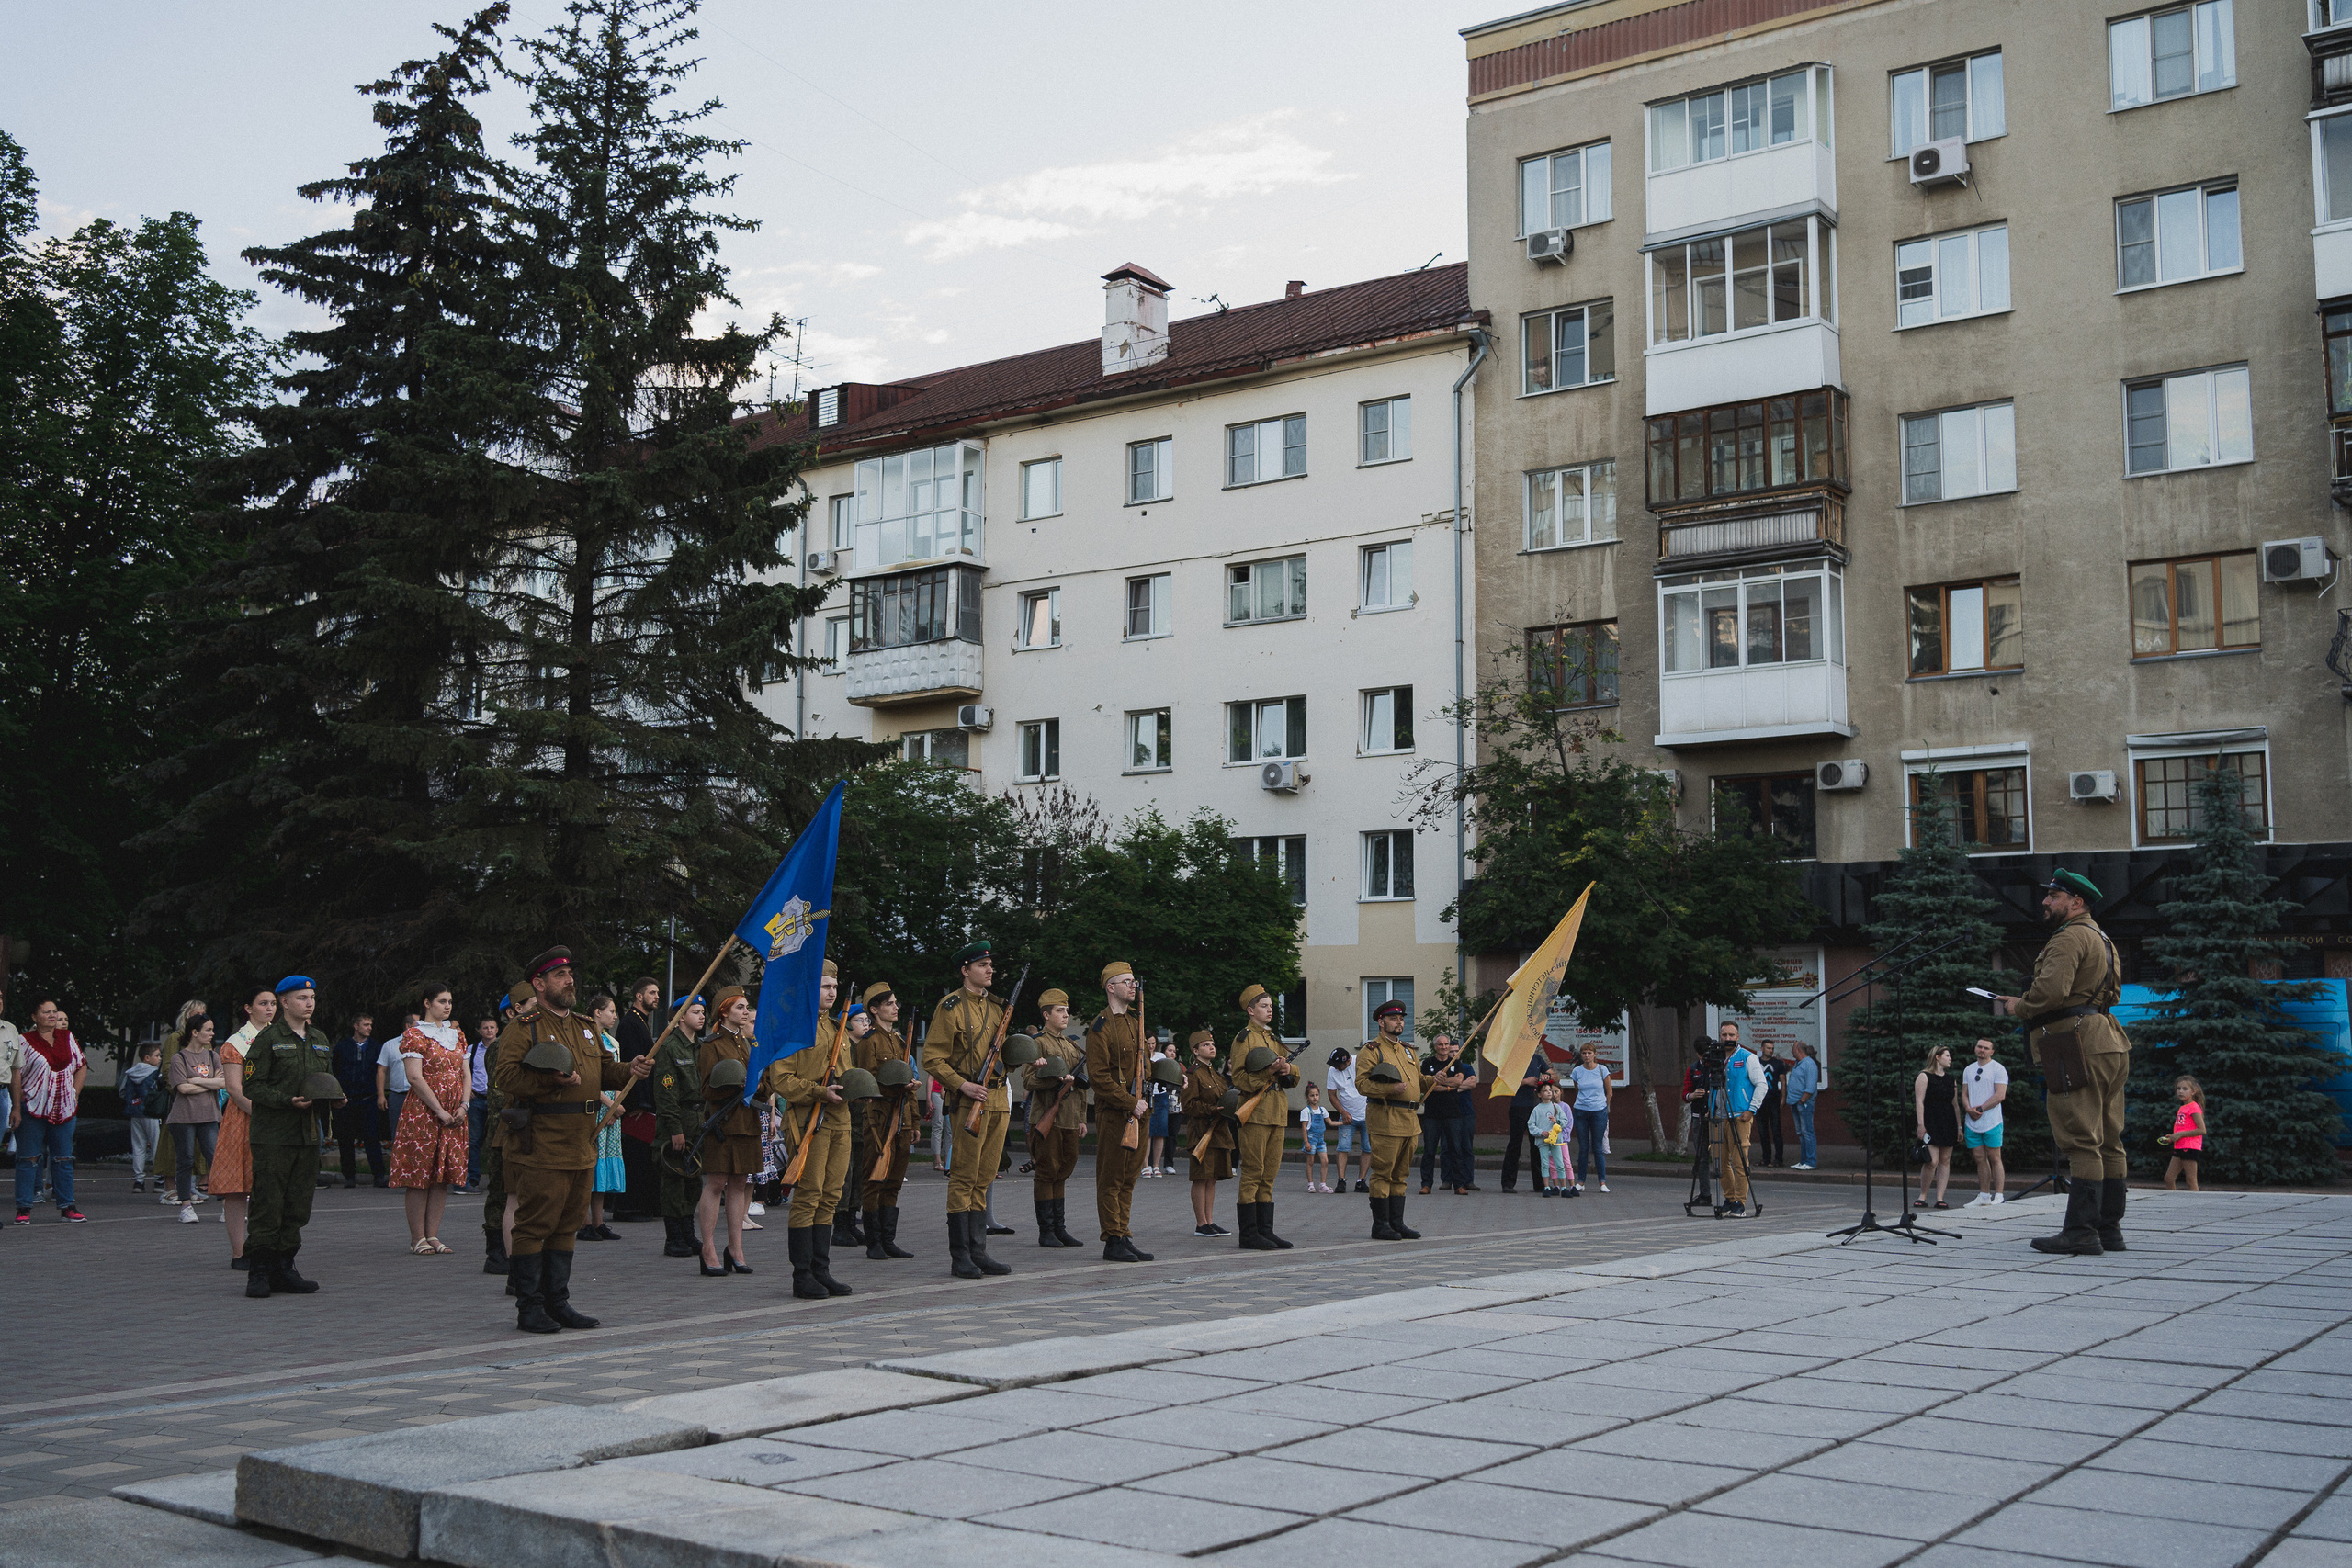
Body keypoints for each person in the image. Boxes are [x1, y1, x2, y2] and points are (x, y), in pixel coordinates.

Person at [494, 947, 652, 1332]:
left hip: (584, 1140)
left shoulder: (585, 1025)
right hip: (543, 1141)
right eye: (560, 975)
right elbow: (506, 1078)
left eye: (570, 974)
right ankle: (530, 1307)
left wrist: (628, 1068)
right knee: (535, 1224)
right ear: (539, 983)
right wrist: (551, 1080)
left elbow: (601, 1070)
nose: (569, 981)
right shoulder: (526, 1026)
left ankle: (558, 1302)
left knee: (567, 1225)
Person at [1996, 868, 2130, 1256]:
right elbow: (2113, 991)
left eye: (2054, 896)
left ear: (2076, 903)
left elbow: (2049, 992)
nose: (2045, 901)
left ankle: (2081, 1232)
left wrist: (2019, 1005)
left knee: (2081, 1137)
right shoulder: (2100, 936)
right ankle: (2109, 1229)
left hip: (2075, 1043)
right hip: (2107, 1038)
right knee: (2108, 1137)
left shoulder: (2069, 936)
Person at [925, 941, 1021, 1277]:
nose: (990, 969)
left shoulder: (997, 1008)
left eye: (991, 964)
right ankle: (961, 1255)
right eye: (982, 965)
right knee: (964, 1178)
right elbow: (932, 1058)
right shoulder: (950, 1007)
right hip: (969, 1100)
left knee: (984, 1177)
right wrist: (962, 1084)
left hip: (997, 1100)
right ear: (966, 970)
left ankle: (980, 1251)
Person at [241, 976, 338, 1297]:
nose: (309, 1003)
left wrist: (335, 1098)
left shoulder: (320, 1038)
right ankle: (259, 1270)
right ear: (284, 1002)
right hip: (274, 1136)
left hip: (308, 1135)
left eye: (311, 997)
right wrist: (287, 1101)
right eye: (301, 998)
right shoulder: (268, 1040)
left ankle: (285, 1267)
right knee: (268, 1204)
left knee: (297, 1205)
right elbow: (252, 1086)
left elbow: (324, 1081)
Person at [769, 965, 864, 1298]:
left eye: (835, 986)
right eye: (825, 986)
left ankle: (822, 1270)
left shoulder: (837, 1028)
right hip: (809, 1119)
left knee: (831, 1195)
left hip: (840, 1119)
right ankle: (802, 1274)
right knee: (809, 1195)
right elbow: (780, 1079)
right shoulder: (796, 1027)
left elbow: (848, 1074)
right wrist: (819, 1091)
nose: (832, 992)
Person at [388, 984, 470, 1255]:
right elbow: (414, 1076)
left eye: (450, 1001)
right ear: (427, 1003)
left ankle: (433, 1235)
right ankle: (417, 1238)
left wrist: (463, 1106)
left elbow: (465, 1073)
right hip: (424, 1112)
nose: (447, 1006)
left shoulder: (456, 1035)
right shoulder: (415, 1034)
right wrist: (439, 1110)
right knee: (420, 1174)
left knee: (441, 1176)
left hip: (454, 1112)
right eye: (442, 1001)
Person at [1084, 959, 1155, 1264]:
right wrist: (1129, 1102)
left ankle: (1124, 1233)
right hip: (1116, 1112)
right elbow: (1099, 1078)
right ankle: (1112, 1238)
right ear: (1111, 987)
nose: (1133, 986)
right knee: (1111, 1177)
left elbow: (1147, 1066)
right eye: (1127, 981)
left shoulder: (1135, 1021)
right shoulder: (1101, 1026)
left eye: (1134, 982)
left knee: (1130, 1176)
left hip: (1139, 1110)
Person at [698, 984, 763, 1280]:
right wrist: (729, 1085)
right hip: (723, 1124)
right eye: (740, 1007)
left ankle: (735, 1249)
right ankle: (708, 1249)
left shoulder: (751, 1043)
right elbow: (705, 1088)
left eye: (747, 1007)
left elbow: (768, 1079)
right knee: (716, 1185)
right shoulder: (712, 1045)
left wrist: (760, 1086)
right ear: (724, 1011)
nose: (746, 1012)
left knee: (739, 1184)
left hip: (747, 1122)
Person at [1229, 982, 1299, 1249]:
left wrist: (1287, 1069)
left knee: (1269, 1174)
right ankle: (1248, 1234)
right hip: (1255, 1113)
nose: (1269, 1010)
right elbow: (1238, 1078)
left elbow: (1293, 1074)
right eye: (1263, 1006)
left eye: (1270, 1006)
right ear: (1250, 1010)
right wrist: (1267, 1073)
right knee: (1253, 1172)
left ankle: (1265, 1230)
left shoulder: (1272, 1039)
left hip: (1277, 1112)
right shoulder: (1244, 1038)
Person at [855, 982, 922, 1259]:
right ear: (874, 1009)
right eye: (889, 1003)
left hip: (902, 1118)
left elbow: (908, 1077)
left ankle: (888, 1239)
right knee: (875, 1179)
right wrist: (897, 1089)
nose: (895, 1007)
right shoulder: (869, 1042)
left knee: (894, 1180)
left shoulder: (898, 1040)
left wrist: (915, 1121)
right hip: (879, 1118)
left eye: (895, 1003)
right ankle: (874, 1242)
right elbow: (866, 1082)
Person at [10, 998, 86, 1224]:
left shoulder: (67, 1037)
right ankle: (23, 1208)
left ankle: (67, 1206)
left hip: (64, 1108)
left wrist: (74, 1093)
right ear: (34, 1017)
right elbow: (17, 1074)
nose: (52, 1016)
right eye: (46, 1012)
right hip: (32, 1107)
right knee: (28, 1158)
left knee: (63, 1158)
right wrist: (16, 1107)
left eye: (54, 1012)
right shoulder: (24, 1041)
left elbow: (81, 1065)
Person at [1021, 989, 1085, 1250]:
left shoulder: (1072, 1045)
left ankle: (1060, 1228)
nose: (1065, 1015)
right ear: (1046, 1015)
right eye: (1060, 1010)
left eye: (1066, 1011)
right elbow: (1027, 1080)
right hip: (1047, 1116)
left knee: (1062, 1173)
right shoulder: (1037, 1043)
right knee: (1047, 1172)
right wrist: (1053, 1078)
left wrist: (1082, 1119)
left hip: (1069, 1119)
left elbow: (1080, 1089)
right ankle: (1046, 1230)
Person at [1358, 1000, 1424, 1241]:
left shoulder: (1407, 1050)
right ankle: (1381, 1225)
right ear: (1381, 1021)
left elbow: (1418, 1081)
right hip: (1385, 1119)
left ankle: (1397, 1223)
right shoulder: (1372, 1050)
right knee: (1383, 1173)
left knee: (1401, 1174)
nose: (1399, 1022)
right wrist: (1390, 1089)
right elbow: (1362, 1084)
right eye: (1394, 1019)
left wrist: (1435, 1079)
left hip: (1409, 1119)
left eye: (1401, 1019)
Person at [649, 994, 706, 1259]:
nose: (702, 1016)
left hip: (697, 1119)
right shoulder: (670, 1047)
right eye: (695, 1011)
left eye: (703, 1011)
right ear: (681, 1017)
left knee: (693, 1178)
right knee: (674, 1177)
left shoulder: (700, 1047)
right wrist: (674, 1128)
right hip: (678, 1117)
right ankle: (673, 1238)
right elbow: (666, 1092)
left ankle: (688, 1233)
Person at [216, 988, 269, 1269]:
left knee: (269, 1186)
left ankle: (267, 1247)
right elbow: (234, 1090)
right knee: (237, 1187)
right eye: (263, 1003)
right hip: (244, 1118)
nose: (270, 1008)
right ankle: (239, 1253)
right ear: (248, 1008)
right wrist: (263, 1114)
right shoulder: (236, 1043)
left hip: (276, 1116)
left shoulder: (282, 1037)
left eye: (273, 1003)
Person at [166, 1016, 225, 1223]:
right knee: (186, 1160)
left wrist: (198, 1080)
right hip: (183, 1118)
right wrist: (210, 1082)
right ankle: (186, 1206)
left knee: (215, 1159)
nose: (212, 1034)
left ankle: (227, 1205)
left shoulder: (212, 1056)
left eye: (212, 1030)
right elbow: (182, 1088)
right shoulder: (179, 1059)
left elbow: (223, 1083)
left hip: (209, 1116)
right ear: (194, 1032)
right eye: (208, 1030)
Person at [1177, 1028, 1234, 1238]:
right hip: (1202, 1131)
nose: (1211, 1047)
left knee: (1212, 1178)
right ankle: (1201, 1223)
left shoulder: (1216, 1075)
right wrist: (1211, 1110)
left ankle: (1210, 1221)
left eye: (1212, 1045)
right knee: (1201, 1178)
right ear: (1195, 1050)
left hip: (1218, 1132)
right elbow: (1189, 1105)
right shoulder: (1193, 1074)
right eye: (1206, 1045)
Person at [611, 979, 662, 1216]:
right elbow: (633, 1063)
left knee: (642, 1155)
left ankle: (641, 1203)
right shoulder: (631, 1022)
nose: (657, 996)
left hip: (642, 1102)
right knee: (635, 1155)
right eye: (652, 992)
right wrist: (639, 1102)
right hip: (635, 1104)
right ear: (639, 996)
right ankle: (630, 1206)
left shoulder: (640, 1021)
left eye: (658, 992)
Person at [578, 993, 626, 1242]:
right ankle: (583, 1221)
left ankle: (598, 1221)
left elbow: (616, 1074)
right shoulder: (584, 1038)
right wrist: (608, 1105)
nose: (615, 1016)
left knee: (604, 1166)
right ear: (597, 1012)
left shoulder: (612, 1042)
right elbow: (586, 1079)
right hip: (594, 1107)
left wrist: (616, 1103)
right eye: (611, 1011)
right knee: (589, 1166)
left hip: (611, 1111)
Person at [149, 1000, 209, 1199]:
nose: (200, 1017)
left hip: (201, 1100)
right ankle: (170, 1188)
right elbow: (168, 1070)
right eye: (196, 1014)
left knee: (195, 1145)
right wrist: (179, 1091)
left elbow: (212, 1070)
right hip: (179, 1100)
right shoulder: (176, 1038)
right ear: (185, 1016)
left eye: (203, 1014)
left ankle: (187, 1186)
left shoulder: (206, 1041)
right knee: (172, 1142)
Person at [1711, 1021, 1765, 1217]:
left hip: (1740, 1116)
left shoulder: (1748, 1058)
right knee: (1719, 1160)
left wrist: (1752, 1109)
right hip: (1718, 1116)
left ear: (1738, 1037)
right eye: (1724, 1035)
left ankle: (1740, 1203)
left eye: (1731, 1035)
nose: (1727, 1039)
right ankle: (1729, 1198)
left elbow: (1762, 1085)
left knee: (1740, 1160)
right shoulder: (1716, 1058)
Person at [1418, 1033, 1477, 1197]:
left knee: (1456, 1149)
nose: (1444, 1047)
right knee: (1429, 1151)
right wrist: (1444, 1084)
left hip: (1453, 1114)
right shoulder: (1428, 1063)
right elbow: (1425, 1086)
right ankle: (1426, 1184)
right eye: (1440, 1045)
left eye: (1446, 1045)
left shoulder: (1455, 1063)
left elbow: (1458, 1081)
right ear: (1435, 1046)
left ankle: (1459, 1185)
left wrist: (1438, 1082)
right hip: (1432, 1114)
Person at [1959, 1036, 2009, 1209]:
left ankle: (2000, 1195)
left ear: (1992, 1051)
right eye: (1979, 1047)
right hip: (1972, 1122)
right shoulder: (1968, 1069)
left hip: (1992, 1121)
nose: (1982, 1050)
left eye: (1986, 1048)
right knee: (1979, 1158)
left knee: (1995, 1157)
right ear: (1975, 1048)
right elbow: (1964, 1093)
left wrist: (1981, 1109)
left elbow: (2000, 1095)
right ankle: (1984, 1195)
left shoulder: (1998, 1069)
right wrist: (1968, 1108)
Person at [1500, 1052, 1556, 1194]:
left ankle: (1540, 1184)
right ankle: (1508, 1183)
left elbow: (1556, 1077)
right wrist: (1525, 1081)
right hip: (1519, 1106)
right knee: (1515, 1144)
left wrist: (1547, 1076)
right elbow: (1505, 1080)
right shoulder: (1514, 1058)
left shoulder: (1537, 1059)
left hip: (1536, 1107)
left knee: (1538, 1145)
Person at [1913, 1044, 1960, 1209]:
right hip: (1931, 1121)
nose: (1950, 1059)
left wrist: (1959, 1127)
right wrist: (1920, 1124)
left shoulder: (1951, 1079)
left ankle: (1940, 1197)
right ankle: (1923, 1195)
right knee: (1932, 1161)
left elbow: (1955, 1105)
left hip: (1948, 1122)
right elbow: (1919, 1101)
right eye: (1947, 1055)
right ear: (1937, 1057)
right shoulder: (1924, 1076)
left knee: (1945, 1160)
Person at [1566, 1042, 1612, 1195]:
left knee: (1598, 1148)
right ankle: (1581, 1181)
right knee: (1583, 1147)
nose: (1586, 1056)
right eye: (1584, 1053)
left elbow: (1609, 1092)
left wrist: (1605, 1106)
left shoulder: (1602, 1070)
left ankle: (1602, 1182)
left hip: (1599, 1111)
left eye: (1589, 1053)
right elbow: (1577, 1089)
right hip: (1580, 1111)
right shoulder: (1577, 1071)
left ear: (1595, 1054)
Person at [122, 1042, 165, 1191]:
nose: (160, 1059)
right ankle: (159, 1180)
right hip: (153, 1114)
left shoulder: (130, 1073)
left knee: (138, 1146)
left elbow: (122, 1092)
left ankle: (138, 1181)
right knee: (157, 1146)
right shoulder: (156, 1074)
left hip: (135, 1113)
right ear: (147, 1058)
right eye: (157, 1056)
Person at [1325, 1047, 1367, 1193]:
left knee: (1368, 1148)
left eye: (1338, 1065)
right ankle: (1341, 1181)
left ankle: (1361, 1181)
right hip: (1347, 1116)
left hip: (1367, 1114)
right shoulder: (1332, 1071)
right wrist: (1343, 1112)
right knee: (1343, 1147)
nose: (1335, 1067)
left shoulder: (1360, 1063)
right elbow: (1331, 1094)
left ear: (1348, 1060)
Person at [465, 1016, 499, 1193]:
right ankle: (472, 1179)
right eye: (485, 1028)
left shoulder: (503, 1049)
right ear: (480, 1031)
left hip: (496, 1100)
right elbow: (462, 1072)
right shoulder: (471, 1050)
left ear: (497, 1030)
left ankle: (496, 1181)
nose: (489, 1030)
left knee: (496, 1140)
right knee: (474, 1140)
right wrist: (467, 1089)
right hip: (476, 1099)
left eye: (492, 1027)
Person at [2159, 1075, 2206, 1191]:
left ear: (2193, 1091)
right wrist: (2173, 1136)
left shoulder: (2193, 1107)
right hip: (2180, 1146)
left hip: (2190, 1147)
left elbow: (2202, 1130)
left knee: (2191, 1181)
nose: (2181, 1091)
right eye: (2178, 1088)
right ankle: (2172, 1203)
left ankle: (2197, 1206)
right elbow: (2183, 1128)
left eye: (2185, 1089)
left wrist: (2180, 1134)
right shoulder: (2183, 1107)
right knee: (2169, 1178)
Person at [1526, 1082, 1571, 1196]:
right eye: (1546, 1091)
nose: (1549, 1092)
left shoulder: (1556, 1107)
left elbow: (1565, 1120)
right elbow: (1531, 1124)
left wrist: (1557, 1121)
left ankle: (1564, 1188)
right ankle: (1546, 1187)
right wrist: (1541, 1132)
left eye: (1550, 1090)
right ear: (1540, 1095)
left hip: (1556, 1141)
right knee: (1545, 1164)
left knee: (1559, 1163)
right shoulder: (1537, 1109)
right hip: (1543, 1141)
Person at [375, 1016, 415, 1140]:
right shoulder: (390, 1045)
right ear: (408, 1026)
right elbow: (381, 1070)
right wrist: (381, 1095)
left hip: (418, 1096)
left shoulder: (425, 1045)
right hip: (397, 1096)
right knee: (397, 1133)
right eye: (418, 1025)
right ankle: (397, 1159)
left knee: (418, 1133)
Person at [1785, 1043, 1821, 1170]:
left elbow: (1810, 1087)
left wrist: (1802, 1101)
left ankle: (1810, 1161)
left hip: (1803, 1104)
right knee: (1801, 1133)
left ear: (1798, 1050)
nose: (1791, 1051)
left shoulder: (1809, 1064)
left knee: (1807, 1132)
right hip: (1795, 1102)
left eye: (1793, 1049)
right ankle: (1803, 1161)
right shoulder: (1798, 1063)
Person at [1144, 1032, 1174, 1178]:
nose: (1151, 1046)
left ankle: (1156, 1165)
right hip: (1146, 1094)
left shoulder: (1161, 1057)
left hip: (1160, 1095)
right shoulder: (1141, 1056)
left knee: (1160, 1132)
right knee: (1147, 1132)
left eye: (1153, 1043)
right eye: (1148, 1043)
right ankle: (1145, 1165)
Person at [1752, 1041, 1785, 1168]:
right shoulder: (1756, 1063)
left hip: (1773, 1100)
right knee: (1762, 1131)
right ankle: (1766, 1158)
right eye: (1768, 1048)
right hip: (1760, 1101)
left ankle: (1778, 1159)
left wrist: (1783, 1098)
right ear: (1762, 1048)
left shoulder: (1778, 1063)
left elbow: (1783, 1082)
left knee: (1776, 1130)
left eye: (1772, 1048)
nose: (1771, 1050)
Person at [1301, 1084, 1330, 1193]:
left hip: (1321, 1140)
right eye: (1312, 1095)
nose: (1315, 1097)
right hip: (1311, 1139)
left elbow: (1330, 1122)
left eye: (1317, 1095)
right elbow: (1304, 1128)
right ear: (1307, 1097)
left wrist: (1343, 1122)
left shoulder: (1322, 1110)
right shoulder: (1306, 1111)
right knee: (1311, 1161)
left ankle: (1323, 1184)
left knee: (1325, 1161)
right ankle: (1311, 1184)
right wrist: (1306, 1142)